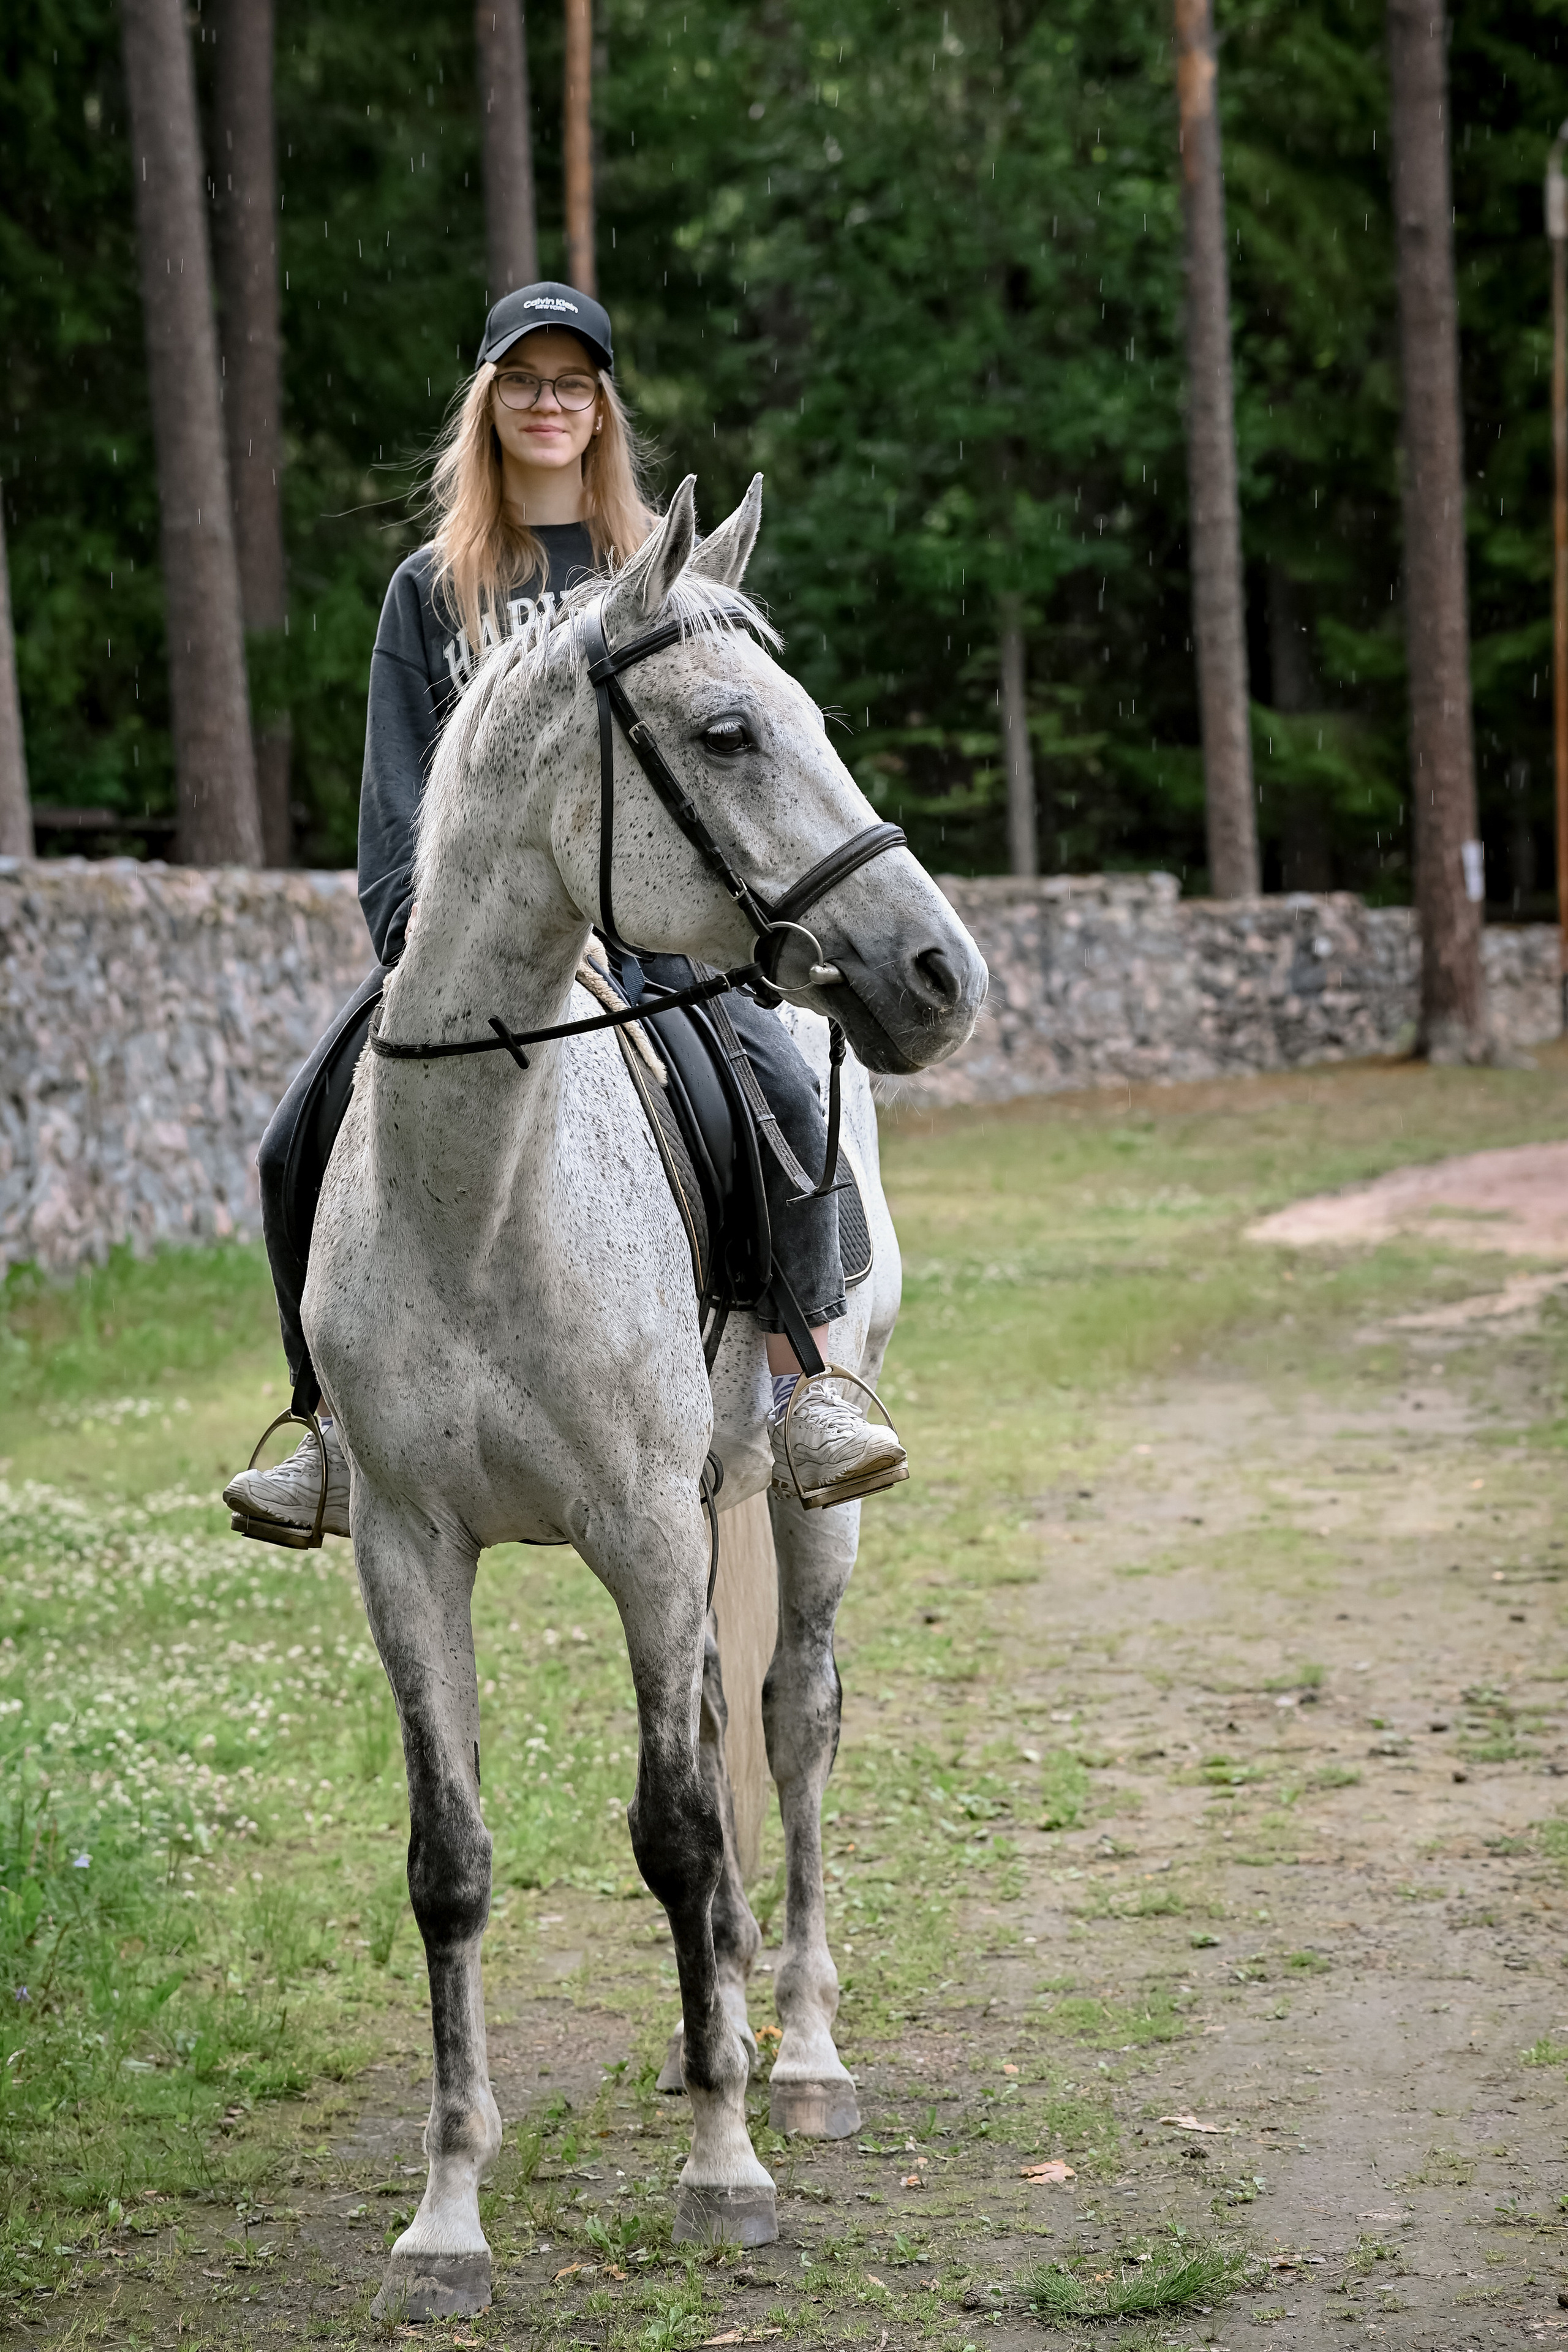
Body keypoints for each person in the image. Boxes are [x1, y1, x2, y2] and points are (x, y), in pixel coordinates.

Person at [222, 281, 907, 1540]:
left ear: (601, 411)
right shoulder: (432, 591)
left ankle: (806, 1385)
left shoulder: (664, 581)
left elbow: (728, 774)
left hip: (654, 953)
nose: (550, 404)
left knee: (781, 1097)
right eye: (525, 382)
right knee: (291, 1138)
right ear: (490, 404)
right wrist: (411, 945)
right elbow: (395, 808)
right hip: (470, 970)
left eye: (573, 385)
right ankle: (324, 1423)